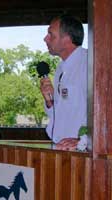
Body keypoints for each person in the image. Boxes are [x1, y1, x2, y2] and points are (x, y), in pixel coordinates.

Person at [40, 14, 87, 150]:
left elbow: (104, 110)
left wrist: (83, 140)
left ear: (67, 39)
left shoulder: (89, 64)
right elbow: (62, 113)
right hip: (60, 149)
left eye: (51, 35)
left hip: (81, 153)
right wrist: (50, 101)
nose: (45, 39)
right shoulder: (61, 68)